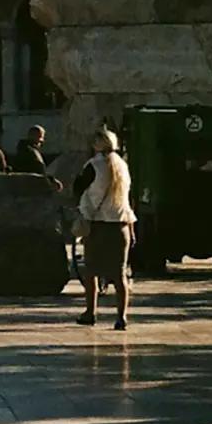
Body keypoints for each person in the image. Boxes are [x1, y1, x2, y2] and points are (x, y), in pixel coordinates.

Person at [76, 129, 136, 330]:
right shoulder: (123, 165)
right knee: (120, 274)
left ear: (96, 144)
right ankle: (122, 317)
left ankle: (90, 312)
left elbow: (78, 188)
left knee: (91, 270)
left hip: (98, 224)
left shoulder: (93, 165)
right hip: (121, 225)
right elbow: (128, 199)